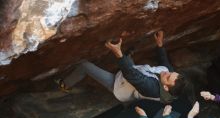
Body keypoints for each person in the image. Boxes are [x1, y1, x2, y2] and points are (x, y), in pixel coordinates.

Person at [57, 31, 189, 103]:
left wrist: (118, 53)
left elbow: (131, 75)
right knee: (128, 54)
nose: (167, 73)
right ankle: (127, 55)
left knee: (84, 65)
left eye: (168, 77)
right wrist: (160, 44)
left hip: (118, 85)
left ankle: (64, 85)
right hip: (132, 75)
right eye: (171, 73)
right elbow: (165, 63)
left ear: (165, 87)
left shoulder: (152, 88)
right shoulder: (170, 75)